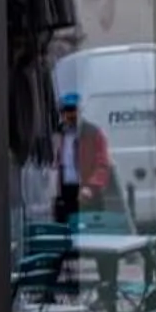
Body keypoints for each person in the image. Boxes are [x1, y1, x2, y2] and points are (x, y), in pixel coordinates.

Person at [53, 89, 114, 223]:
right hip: (65, 192)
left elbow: (102, 165)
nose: (70, 115)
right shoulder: (58, 134)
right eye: (66, 111)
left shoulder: (93, 133)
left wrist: (91, 187)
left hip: (87, 192)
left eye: (73, 110)